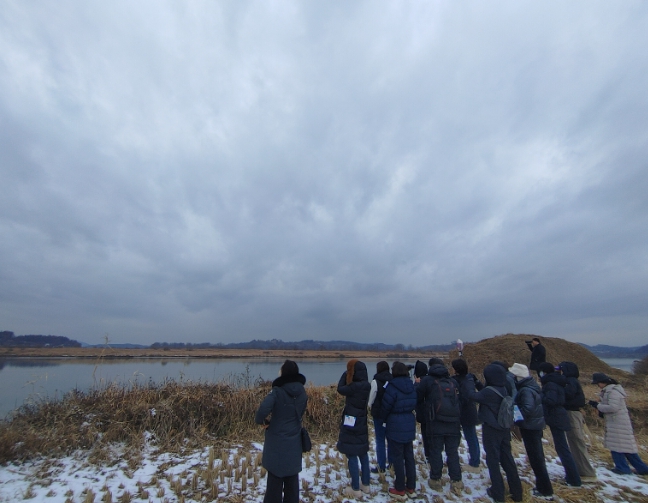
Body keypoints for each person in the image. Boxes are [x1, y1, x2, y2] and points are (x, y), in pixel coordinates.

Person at [466, 363, 523, 503]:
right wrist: (478, 383)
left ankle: (497, 492)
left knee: (492, 460)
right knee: (507, 459)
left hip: (491, 428)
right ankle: (517, 492)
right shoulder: (504, 388)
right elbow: (485, 393)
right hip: (504, 428)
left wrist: (469, 382)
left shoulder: (488, 392)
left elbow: (473, 396)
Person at [255, 360, 308, 503]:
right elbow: (300, 413)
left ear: (283, 372)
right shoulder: (302, 392)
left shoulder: (277, 392)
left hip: (277, 438)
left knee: (275, 477)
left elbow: (262, 411)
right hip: (294, 438)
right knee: (292, 477)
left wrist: (264, 422)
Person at [509, 363, 554, 501]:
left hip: (530, 427)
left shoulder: (525, 390)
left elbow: (528, 408)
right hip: (535, 425)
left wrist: (516, 417)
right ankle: (542, 486)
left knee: (536, 458)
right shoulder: (531, 386)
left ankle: (545, 489)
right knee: (536, 457)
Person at [418, 360, 464, 495]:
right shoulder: (453, 382)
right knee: (453, 452)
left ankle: (435, 479)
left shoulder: (427, 381)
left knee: (436, 451)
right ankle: (456, 480)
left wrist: (424, 414)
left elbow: (418, 398)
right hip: (453, 423)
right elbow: (460, 400)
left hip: (435, 422)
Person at [589, 373, 648, 475]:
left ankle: (622, 468)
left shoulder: (612, 392)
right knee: (626, 447)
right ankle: (642, 468)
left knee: (616, 446)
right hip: (618, 422)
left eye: (598, 383)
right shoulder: (611, 390)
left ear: (602, 382)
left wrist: (598, 406)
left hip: (617, 422)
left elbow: (613, 407)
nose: (598, 385)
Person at [538, 362, 581, 487]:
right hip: (558, 416)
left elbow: (551, 400)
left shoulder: (550, 383)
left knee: (562, 448)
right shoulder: (556, 381)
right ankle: (573, 476)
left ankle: (574, 479)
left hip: (556, 417)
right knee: (562, 448)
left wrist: (540, 395)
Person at [379, 361, 417, 500]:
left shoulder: (392, 386)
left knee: (398, 457)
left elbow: (386, 406)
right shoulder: (411, 385)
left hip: (395, 423)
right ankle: (411, 487)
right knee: (409, 456)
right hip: (409, 422)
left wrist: (383, 419)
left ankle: (400, 488)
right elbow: (415, 402)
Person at [337, 359, 372, 499]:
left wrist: (345, 374)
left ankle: (355, 488)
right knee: (363, 453)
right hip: (362, 420)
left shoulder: (353, 387)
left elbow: (340, 389)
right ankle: (366, 484)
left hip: (351, 421)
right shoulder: (367, 385)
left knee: (351, 453)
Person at [558, 361, 597, 481]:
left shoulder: (570, 381)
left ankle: (587, 473)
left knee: (576, 441)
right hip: (573, 413)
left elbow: (568, 394)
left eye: (561, 369)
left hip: (572, 413)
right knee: (575, 442)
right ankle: (581, 470)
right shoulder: (572, 380)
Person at [451, 358, 482, 472]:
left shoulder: (455, 381)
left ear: (456, 369)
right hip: (471, 411)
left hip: (461, 412)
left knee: (464, 437)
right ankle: (475, 461)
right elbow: (482, 389)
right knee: (471, 436)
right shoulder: (471, 378)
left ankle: (473, 463)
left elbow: (462, 397)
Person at [368, 360, 393, 473]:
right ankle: (392, 464)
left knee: (380, 440)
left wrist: (369, 406)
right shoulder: (393, 380)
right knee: (391, 439)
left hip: (379, 414)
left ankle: (381, 465)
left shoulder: (375, 381)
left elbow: (372, 397)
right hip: (391, 413)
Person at [412, 360, 429, 462]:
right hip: (432, 414)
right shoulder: (430, 380)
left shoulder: (419, 384)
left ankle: (429, 455)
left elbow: (415, 397)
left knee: (426, 436)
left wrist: (415, 384)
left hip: (423, 414)